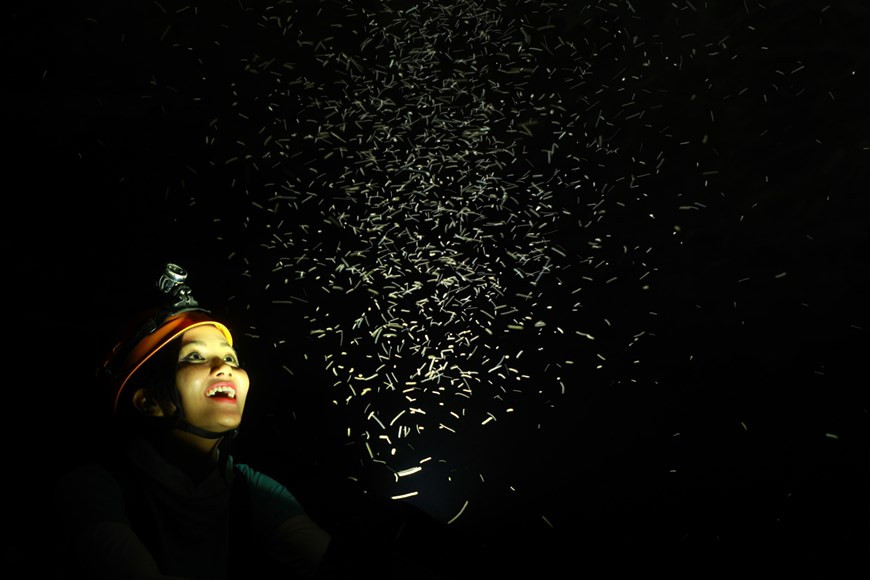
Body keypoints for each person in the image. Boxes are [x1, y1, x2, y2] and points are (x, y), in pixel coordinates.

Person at [52, 263, 343, 579]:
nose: (224, 367)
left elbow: (332, 563)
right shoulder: (95, 488)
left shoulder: (251, 489)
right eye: (194, 357)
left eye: (230, 357)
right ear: (148, 401)